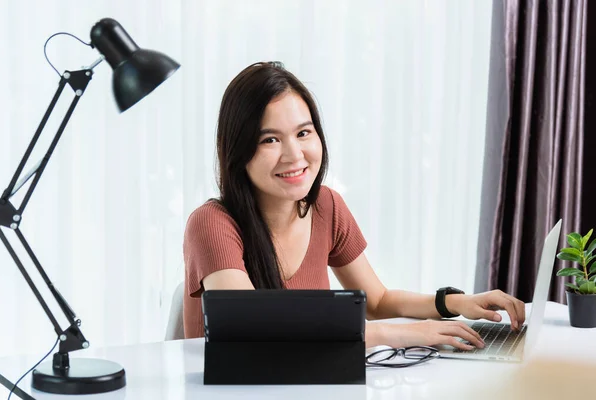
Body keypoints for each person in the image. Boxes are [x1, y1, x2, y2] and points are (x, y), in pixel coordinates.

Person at [183, 61, 525, 350]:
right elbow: (253, 325)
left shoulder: (326, 206)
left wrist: (456, 303)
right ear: (238, 151)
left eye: (304, 133)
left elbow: (376, 302)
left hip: (306, 382)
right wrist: (397, 334)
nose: (294, 155)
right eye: (270, 139)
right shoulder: (212, 223)